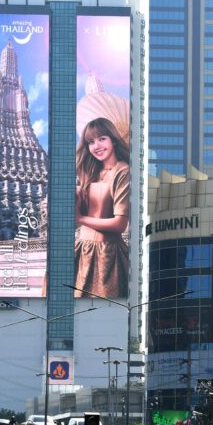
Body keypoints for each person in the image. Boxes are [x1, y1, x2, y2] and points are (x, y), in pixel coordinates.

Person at [74, 117, 130, 298]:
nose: (96, 146)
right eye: (91, 142)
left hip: (107, 255)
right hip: (81, 250)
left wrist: (81, 219)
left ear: (113, 140)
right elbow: (75, 221)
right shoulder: (90, 171)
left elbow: (120, 224)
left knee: (101, 308)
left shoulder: (123, 171)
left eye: (102, 139)